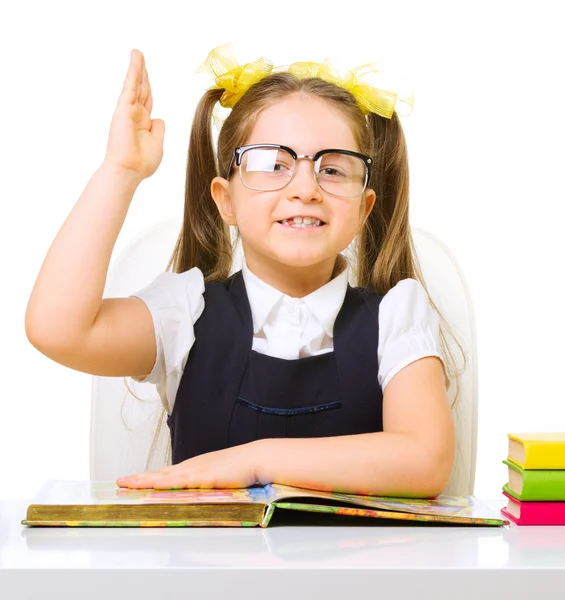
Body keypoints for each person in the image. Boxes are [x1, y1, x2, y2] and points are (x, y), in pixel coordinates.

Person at [25, 45, 456, 498]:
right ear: (225, 199)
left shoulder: (397, 316)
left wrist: (255, 461)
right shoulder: (184, 314)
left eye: (332, 169)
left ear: (364, 208)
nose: (306, 188)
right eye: (273, 164)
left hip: (354, 572)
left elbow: (424, 461)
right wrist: (121, 170)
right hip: (204, 571)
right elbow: (58, 329)